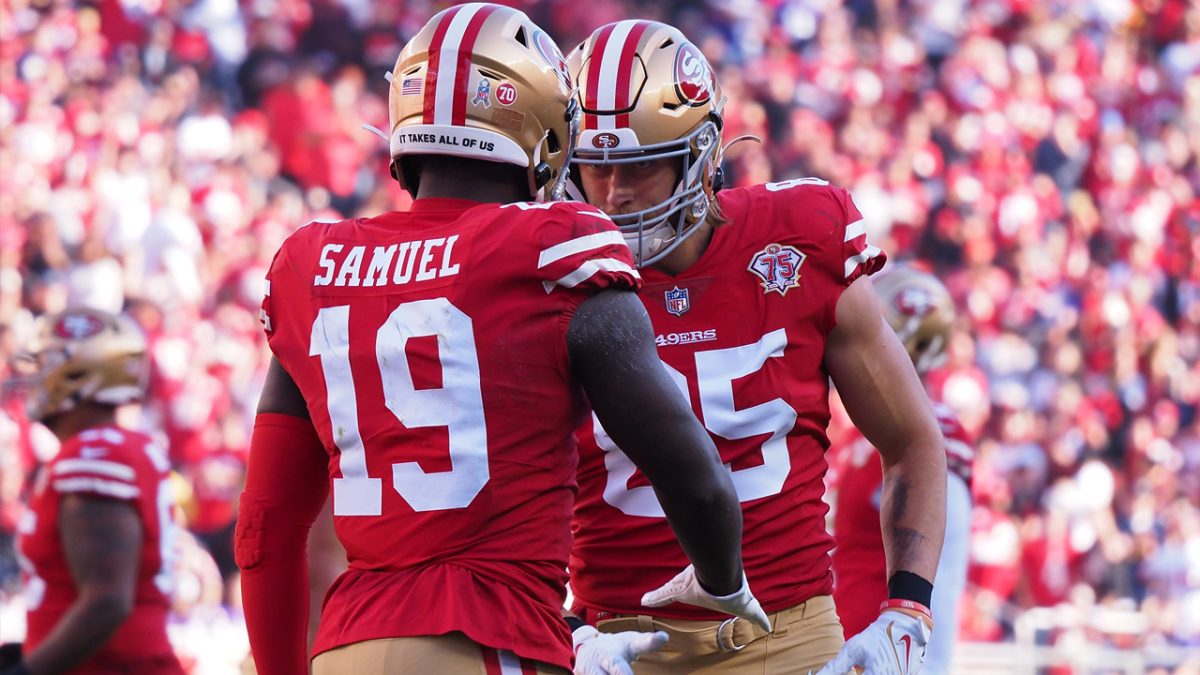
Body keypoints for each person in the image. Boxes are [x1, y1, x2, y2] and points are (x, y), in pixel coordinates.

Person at [237, 5, 768, 675]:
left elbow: (265, 527)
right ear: (545, 131)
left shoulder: (311, 262)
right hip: (490, 638)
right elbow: (696, 482)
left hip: (349, 647)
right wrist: (724, 582)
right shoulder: (553, 247)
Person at [563, 20, 947, 675]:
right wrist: (569, 629)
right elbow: (494, 501)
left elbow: (912, 440)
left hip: (786, 636)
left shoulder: (798, 240)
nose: (613, 193)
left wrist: (907, 610)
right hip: (617, 646)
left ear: (701, 153)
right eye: (593, 167)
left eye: (640, 165)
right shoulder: (553, 272)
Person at [3, 308, 183, 675]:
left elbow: (107, 601)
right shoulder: (122, 446)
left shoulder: (93, 454)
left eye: (46, 364)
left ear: (80, 375)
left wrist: (29, 672)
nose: (35, 377)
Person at [829, 264, 975, 675]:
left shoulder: (934, 433)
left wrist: (921, 662)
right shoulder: (862, 431)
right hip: (845, 644)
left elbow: (942, 565)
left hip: (881, 655)